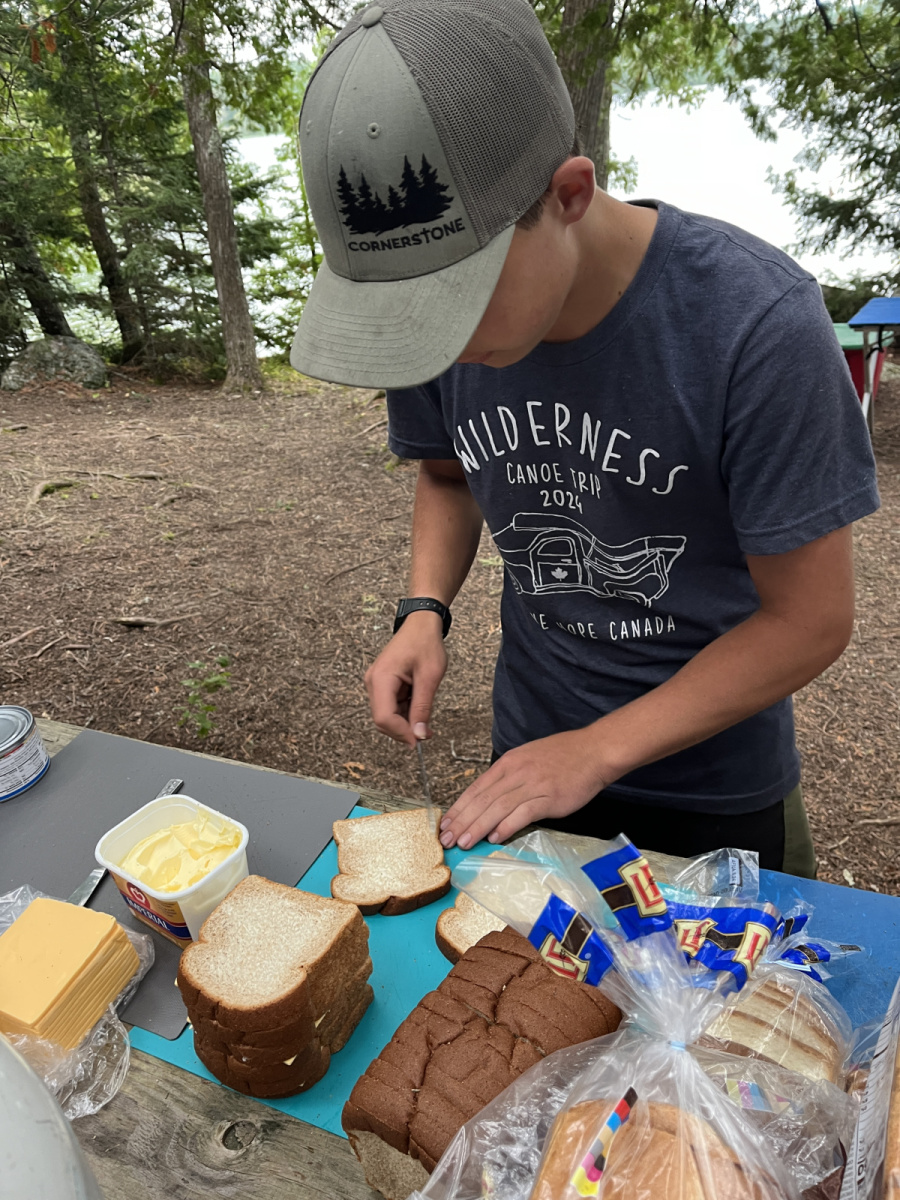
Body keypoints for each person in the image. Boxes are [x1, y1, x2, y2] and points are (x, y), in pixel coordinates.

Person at [289, 0, 879, 875]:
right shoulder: (429, 323)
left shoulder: (755, 323)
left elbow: (809, 620)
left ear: (569, 193)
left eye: (459, 297)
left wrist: (597, 751)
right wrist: (424, 610)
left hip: (714, 787)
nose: (437, 340)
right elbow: (448, 475)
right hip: (531, 752)